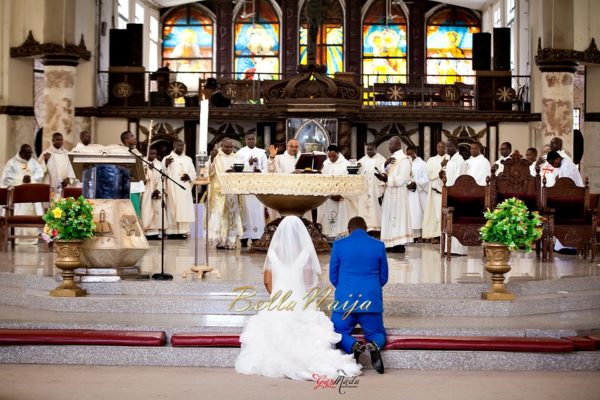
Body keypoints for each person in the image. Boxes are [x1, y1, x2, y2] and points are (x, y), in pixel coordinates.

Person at [235, 216, 361, 380]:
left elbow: (267, 280)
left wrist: (276, 296)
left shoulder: (272, 253)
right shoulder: (305, 253)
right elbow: (309, 281)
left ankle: (278, 361)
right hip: (299, 299)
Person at [330, 216, 387, 374]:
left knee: (336, 332)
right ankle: (374, 346)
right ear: (366, 229)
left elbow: (333, 276)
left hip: (344, 303)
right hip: (371, 301)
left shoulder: (339, 245)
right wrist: (371, 289)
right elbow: (384, 277)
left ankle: (353, 346)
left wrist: (345, 289)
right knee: (377, 333)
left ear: (349, 230)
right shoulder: (378, 245)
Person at [1, 144, 45, 244]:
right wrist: (21, 180)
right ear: (21, 153)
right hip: (17, 196)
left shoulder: (32, 161)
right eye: (27, 153)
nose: (29, 155)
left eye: (30, 153)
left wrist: (32, 179)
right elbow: (6, 178)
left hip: (31, 195)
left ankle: (32, 237)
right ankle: (16, 237)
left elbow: (39, 172)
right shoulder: (11, 163)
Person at [375, 136, 413, 252]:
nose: (389, 146)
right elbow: (384, 173)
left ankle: (399, 244)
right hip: (389, 193)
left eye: (390, 144)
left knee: (398, 217)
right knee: (388, 217)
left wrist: (387, 179)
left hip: (399, 193)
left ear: (397, 144)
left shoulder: (404, 159)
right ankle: (389, 243)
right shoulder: (390, 158)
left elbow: (403, 178)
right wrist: (385, 165)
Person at [207, 138, 243, 249]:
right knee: (218, 215)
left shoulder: (236, 157)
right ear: (221, 146)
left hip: (232, 191)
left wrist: (234, 172)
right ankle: (217, 241)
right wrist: (212, 158)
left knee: (232, 215)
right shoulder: (216, 156)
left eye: (230, 147)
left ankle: (230, 242)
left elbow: (241, 172)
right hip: (219, 191)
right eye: (226, 147)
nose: (229, 149)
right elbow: (209, 172)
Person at [236, 132, 268, 247]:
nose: (251, 141)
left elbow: (266, 168)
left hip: (257, 186)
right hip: (245, 186)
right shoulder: (240, 153)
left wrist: (260, 171)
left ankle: (256, 236)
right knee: (245, 211)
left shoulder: (261, 153)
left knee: (257, 211)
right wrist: (247, 164)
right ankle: (244, 237)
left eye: (253, 139)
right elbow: (237, 168)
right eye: (249, 139)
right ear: (245, 140)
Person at [317, 145, 354, 240]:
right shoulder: (325, 163)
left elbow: (349, 181)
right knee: (327, 218)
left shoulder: (346, 164)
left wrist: (341, 194)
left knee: (340, 219)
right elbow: (322, 180)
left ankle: (340, 237)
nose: (331, 158)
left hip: (340, 197)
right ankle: (327, 236)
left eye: (334, 156)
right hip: (328, 197)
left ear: (338, 153)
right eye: (330, 156)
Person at [162, 139, 196, 239]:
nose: (181, 147)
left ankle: (183, 231)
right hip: (172, 188)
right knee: (173, 207)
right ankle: (171, 231)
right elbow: (162, 172)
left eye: (182, 145)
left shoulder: (188, 159)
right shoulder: (167, 158)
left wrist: (189, 176)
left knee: (183, 208)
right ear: (174, 146)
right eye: (179, 145)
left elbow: (193, 172)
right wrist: (166, 164)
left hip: (184, 188)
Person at [441, 139, 467, 255]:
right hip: (449, 193)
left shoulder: (460, 161)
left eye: (450, 146)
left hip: (457, 195)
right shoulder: (449, 161)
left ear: (456, 147)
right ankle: (449, 248)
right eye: (446, 147)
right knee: (448, 221)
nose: (447, 149)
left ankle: (458, 249)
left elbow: (461, 179)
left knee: (456, 221)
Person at [422, 141, 449, 243]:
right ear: (436, 148)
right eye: (439, 147)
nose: (441, 149)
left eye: (443, 147)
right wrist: (440, 167)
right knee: (434, 215)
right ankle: (435, 235)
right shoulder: (431, 160)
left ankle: (444, 235)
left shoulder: (450, 159)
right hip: (434, 192)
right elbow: (429, 175)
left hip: (445, 192)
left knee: (443, 214)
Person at [356, 143, 385, 231]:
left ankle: (377, 227)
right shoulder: (362, 161)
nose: (369, 151)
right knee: (364, 207)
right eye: (368, 150)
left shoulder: (382, 160)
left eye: (371, 149)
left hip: (376, 189)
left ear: (375, 149)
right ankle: (365, 226)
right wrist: (357, 168)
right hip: (365, 189)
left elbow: (384, 175)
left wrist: (381, 190)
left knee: (375, 208)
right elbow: (357, 174)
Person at [405, 146, 429, 240]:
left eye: (411, 153)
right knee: (409, 213)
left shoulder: (423, 164)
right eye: (408, 154)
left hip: (418, 193)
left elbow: (426, 179)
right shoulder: (406, 164)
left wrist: (416, 183)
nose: (410, 155)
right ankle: (409, 235)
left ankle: (418, 235)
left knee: (417, 213)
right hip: (408, 192)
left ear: (415, 152)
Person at [120, 131, 145, 218]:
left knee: (137, 209)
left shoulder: (135, 151)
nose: (135, 138)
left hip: (137, 185)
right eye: (132, 136)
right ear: (126, 139)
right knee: (132, 211)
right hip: (129, 186)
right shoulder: (122, 151)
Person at [141, 149, 162, 240]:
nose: (153, 155)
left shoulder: (159, 164)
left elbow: (162, 177)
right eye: (151, 153)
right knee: (146, 210)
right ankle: (146, 231)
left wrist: (158, 189)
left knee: (156, 210)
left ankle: (155, 232)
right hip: (146, 191)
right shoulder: (142, 162)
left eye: (155, 154)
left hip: (155, 190)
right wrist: (149, 170)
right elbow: (142, 178)